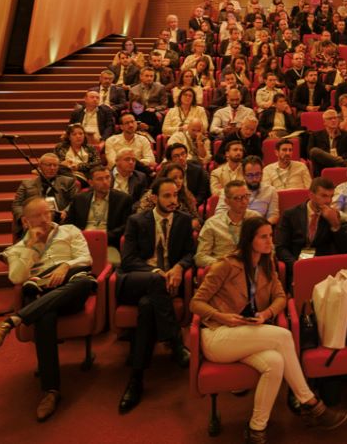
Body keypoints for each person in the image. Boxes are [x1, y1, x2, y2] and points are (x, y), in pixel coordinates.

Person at [191, 216, 347, 442]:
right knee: (283, 336)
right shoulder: (225, 265)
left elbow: (281, 298)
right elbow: (195, 303)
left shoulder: (267, 264)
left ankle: (256, 429)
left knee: (275, 363)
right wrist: (221, 316)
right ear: (249, 239)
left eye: (270, 236)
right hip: (218, 335)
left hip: (248, 334)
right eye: (263, 237)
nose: (269, 242)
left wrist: (266, 314)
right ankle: (311, 403)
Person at [0, 196, 97, 421]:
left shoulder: (70, 231)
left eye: (47, 213)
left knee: (85, 282)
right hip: (40, 295)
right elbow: (16, 276)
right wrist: (31, 246)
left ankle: (13, 321)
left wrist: (66, 265)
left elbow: (86, 258)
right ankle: (51, 391)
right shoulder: (18, 247)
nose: (46, 219)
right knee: (45, 316)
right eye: (38, 216)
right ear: (26, 222)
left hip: (70, 290)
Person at [116, 178, 196, 413]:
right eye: (167, 196)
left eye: (175, 195)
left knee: (147, 306)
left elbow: (191, 253)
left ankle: (136, 379)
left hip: (163, 286)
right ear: (154, 198)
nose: (173, 201)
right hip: (136, 280)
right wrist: (157, 272)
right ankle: (174, 340)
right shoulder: (136, 221)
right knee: (154, 282)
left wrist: (180, 267)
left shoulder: (183, 221)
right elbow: (128, 260)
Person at [274, 177, 347, 287]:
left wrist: (335, 224)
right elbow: (281, 247)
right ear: (310, 195)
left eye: (331, 196)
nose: (328, 201)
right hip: (296, 264)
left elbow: (344, 249)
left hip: (323, 268)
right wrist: (297, 266)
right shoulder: (290, 214)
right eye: (324, 196)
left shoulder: (333, 215)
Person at [67, 164, 132, 266]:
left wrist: (103, 237)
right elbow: (69, 224)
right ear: (90, 182)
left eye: (107, 177)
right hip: (81, 242)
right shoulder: (79, 199)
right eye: (100, 179)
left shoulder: (123, 199)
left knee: (114, 264)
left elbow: (126, 226)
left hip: (108, 243)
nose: (105, 182)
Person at [11, 153, 79, 239]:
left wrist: (66, 211)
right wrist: (22, 217)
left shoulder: (68, 182)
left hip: (60, 222)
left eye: (55, 165)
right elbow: (16, 204)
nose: (52, 168)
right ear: (40, 166)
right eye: (48, 165)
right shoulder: (27, 184)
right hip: (35, 222)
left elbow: (75, 201)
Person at [196, 181, 256, 267]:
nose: (244, 201)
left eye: (246, 196)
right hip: (223, 271)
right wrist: (223, 264)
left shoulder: (255, 219)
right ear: (227, 201)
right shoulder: (212, 224)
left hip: (250, 267)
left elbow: (269, 249)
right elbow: (200, 257)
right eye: (238, 198)